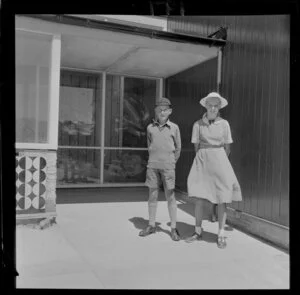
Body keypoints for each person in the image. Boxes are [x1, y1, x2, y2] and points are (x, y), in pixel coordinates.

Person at [185, 92, 242, 248]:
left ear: (219, 107)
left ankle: (221, 234)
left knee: (222, 198)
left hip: (220, 161)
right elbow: (196, 146)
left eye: (216, 105)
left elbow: (227, 148)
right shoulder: (197, 124)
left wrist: (218, 159)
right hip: (202, 162)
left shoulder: (224, 124)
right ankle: (197, 231)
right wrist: (205, 157)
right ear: (205, 106)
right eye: (210, 105)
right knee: (199, 197)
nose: (212, 108)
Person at [139, 97, 181, 241]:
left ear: (170, 111)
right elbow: (149, 145)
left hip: (168, 167)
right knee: (152, 195)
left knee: (170, 196)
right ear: (155, 111)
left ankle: (174, 228)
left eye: (165, 110)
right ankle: (151, 225)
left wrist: (171, 162)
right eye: (159, 110)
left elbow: (178, 148)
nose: (162, 112)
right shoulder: (150, 128)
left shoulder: (174, 128)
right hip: (153, 166)